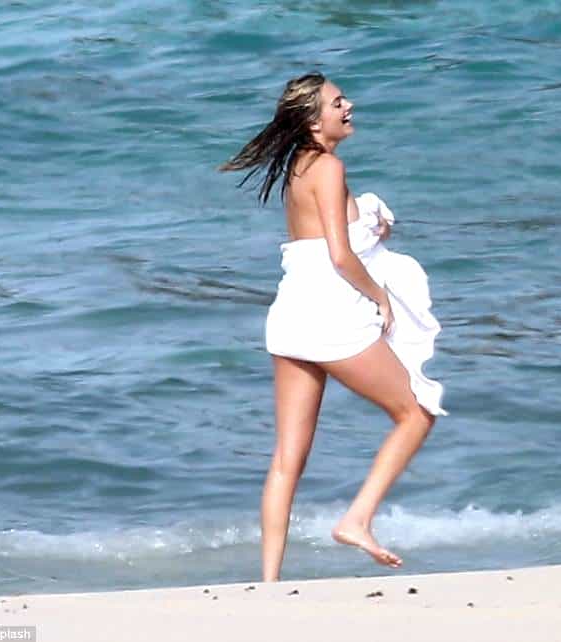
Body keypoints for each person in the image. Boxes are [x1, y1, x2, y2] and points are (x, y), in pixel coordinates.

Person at [221, 73, 445, 581]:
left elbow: (320, 241)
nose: (348, 106)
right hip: (329, 314)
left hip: (289, 314)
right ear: (312, 120)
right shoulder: (329, 167)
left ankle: (269, 582)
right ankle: (356, 520)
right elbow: (341, 257)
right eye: (337, 102)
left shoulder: (298, 167)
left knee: (287, 459)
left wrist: (372, 222)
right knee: (416, 412)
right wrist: (380, 297)